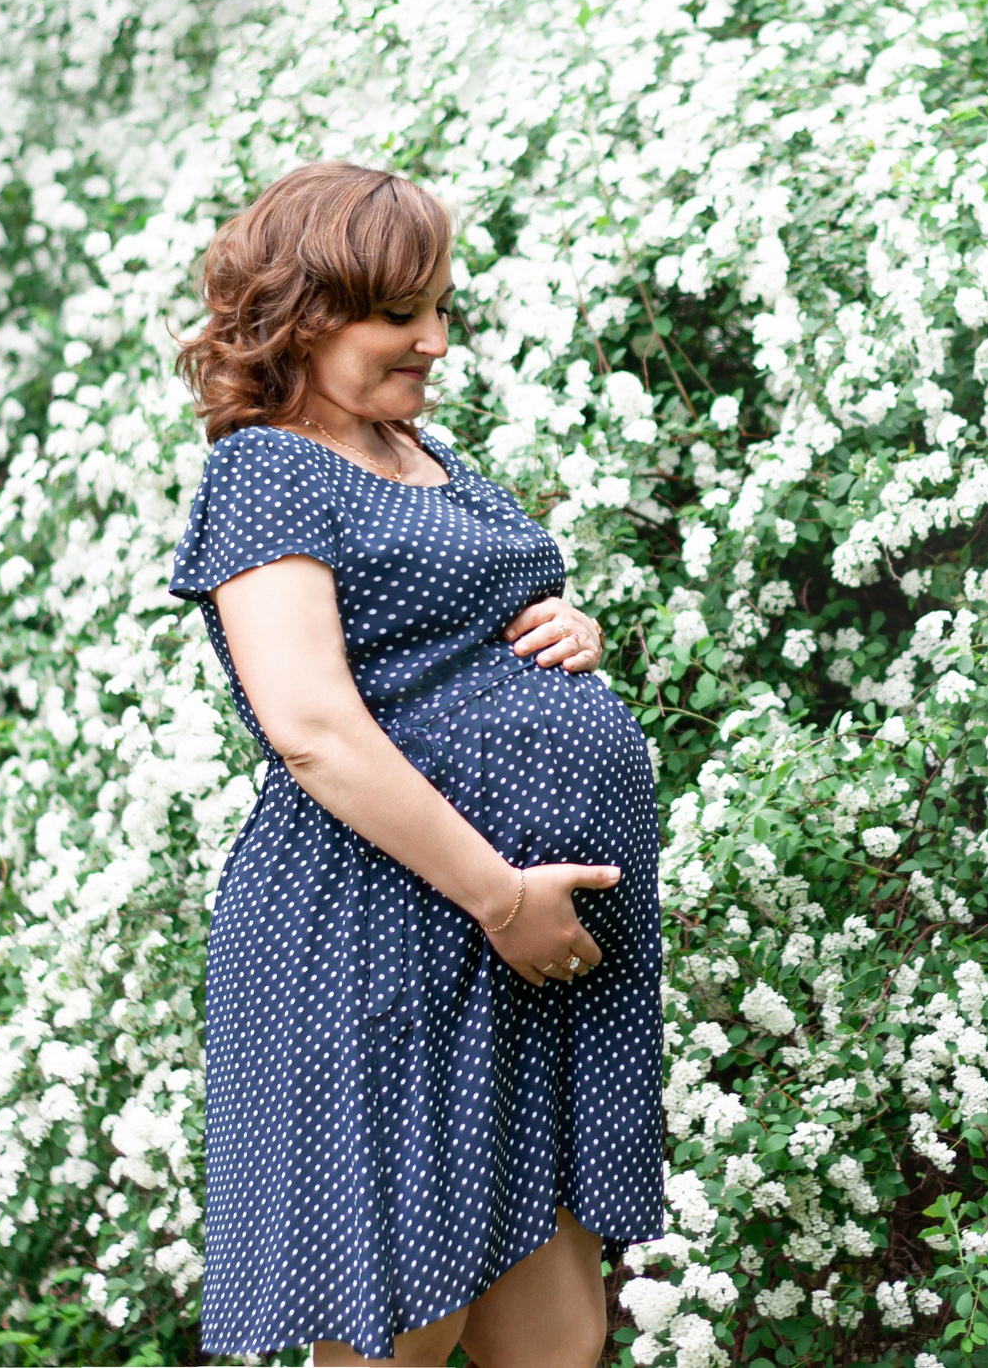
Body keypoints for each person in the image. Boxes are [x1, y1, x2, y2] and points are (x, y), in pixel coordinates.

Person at [165, 160, 664, 1367]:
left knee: (557, 1337)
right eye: (402, 313)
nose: (434, 339)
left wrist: (570, 634)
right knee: (395, 1333)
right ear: (302, 309)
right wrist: (503, 895)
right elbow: (313, 725)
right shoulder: (267, 469)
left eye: (441, 306)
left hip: (526, 959)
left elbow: (471, 629)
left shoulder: (421, 451)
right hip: (387, 935)